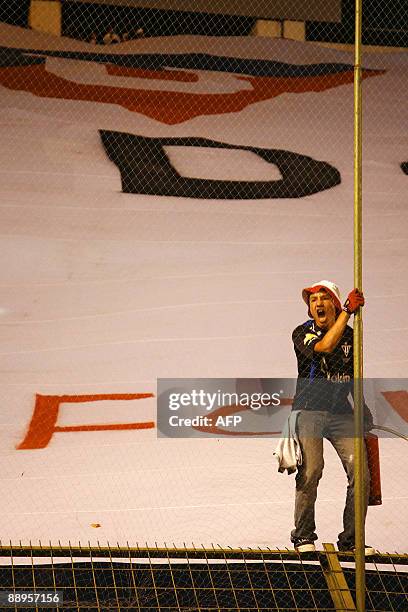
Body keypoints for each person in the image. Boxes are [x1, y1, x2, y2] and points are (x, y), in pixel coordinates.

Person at [290, 280, 375, 554]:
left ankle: (351, 542)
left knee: (360, 474)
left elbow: (352, 379)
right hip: (309, 411)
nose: (317, 304)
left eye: (323, 298)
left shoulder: (353, 337)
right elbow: (325, 347)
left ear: (334, 304)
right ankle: (303, 536)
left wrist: (362, 409)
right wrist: (347, 312)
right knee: (312, 469)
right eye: (312, 300)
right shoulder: (302, 333)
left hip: (341, 414)